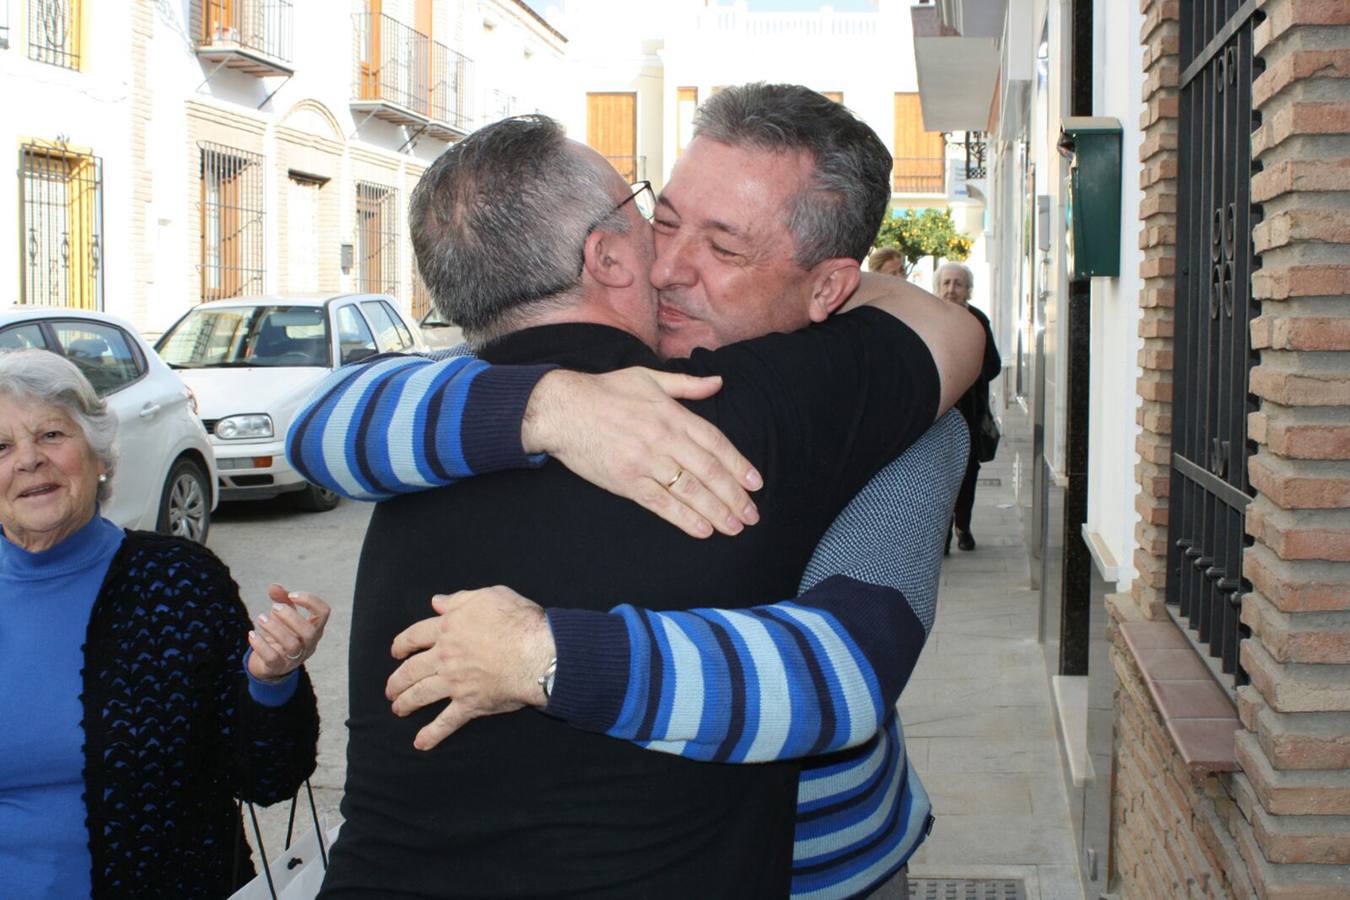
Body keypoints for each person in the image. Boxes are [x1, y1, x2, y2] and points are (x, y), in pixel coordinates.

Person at [308, 101, 982, 898]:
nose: (665, 268)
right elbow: (321, 423)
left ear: (831, 286)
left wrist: (547, 654)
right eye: (661, 222)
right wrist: (548, 408)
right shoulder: (477, 395)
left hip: (831, 864)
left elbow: (848, 673)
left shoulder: (898, 418)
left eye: (724, 245)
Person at [0, 348, 330, 898]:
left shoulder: (178, 584)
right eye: (1, 446)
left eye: (52, 435)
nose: (30, 460)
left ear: (99, 454)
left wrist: (272, 681)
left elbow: (269, 778)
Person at [935, 261, 1001, 552]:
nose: (951, 289)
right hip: (936, 416)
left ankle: (963, 526)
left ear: (969, 290)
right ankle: (942, 534)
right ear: (938, 287)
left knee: (967, 475)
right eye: (946, 283)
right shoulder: (928, 316)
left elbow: (993, 365)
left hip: (970, 415)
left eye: (958, 284)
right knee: (938, 476)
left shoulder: (978, 321)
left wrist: (967, 371)